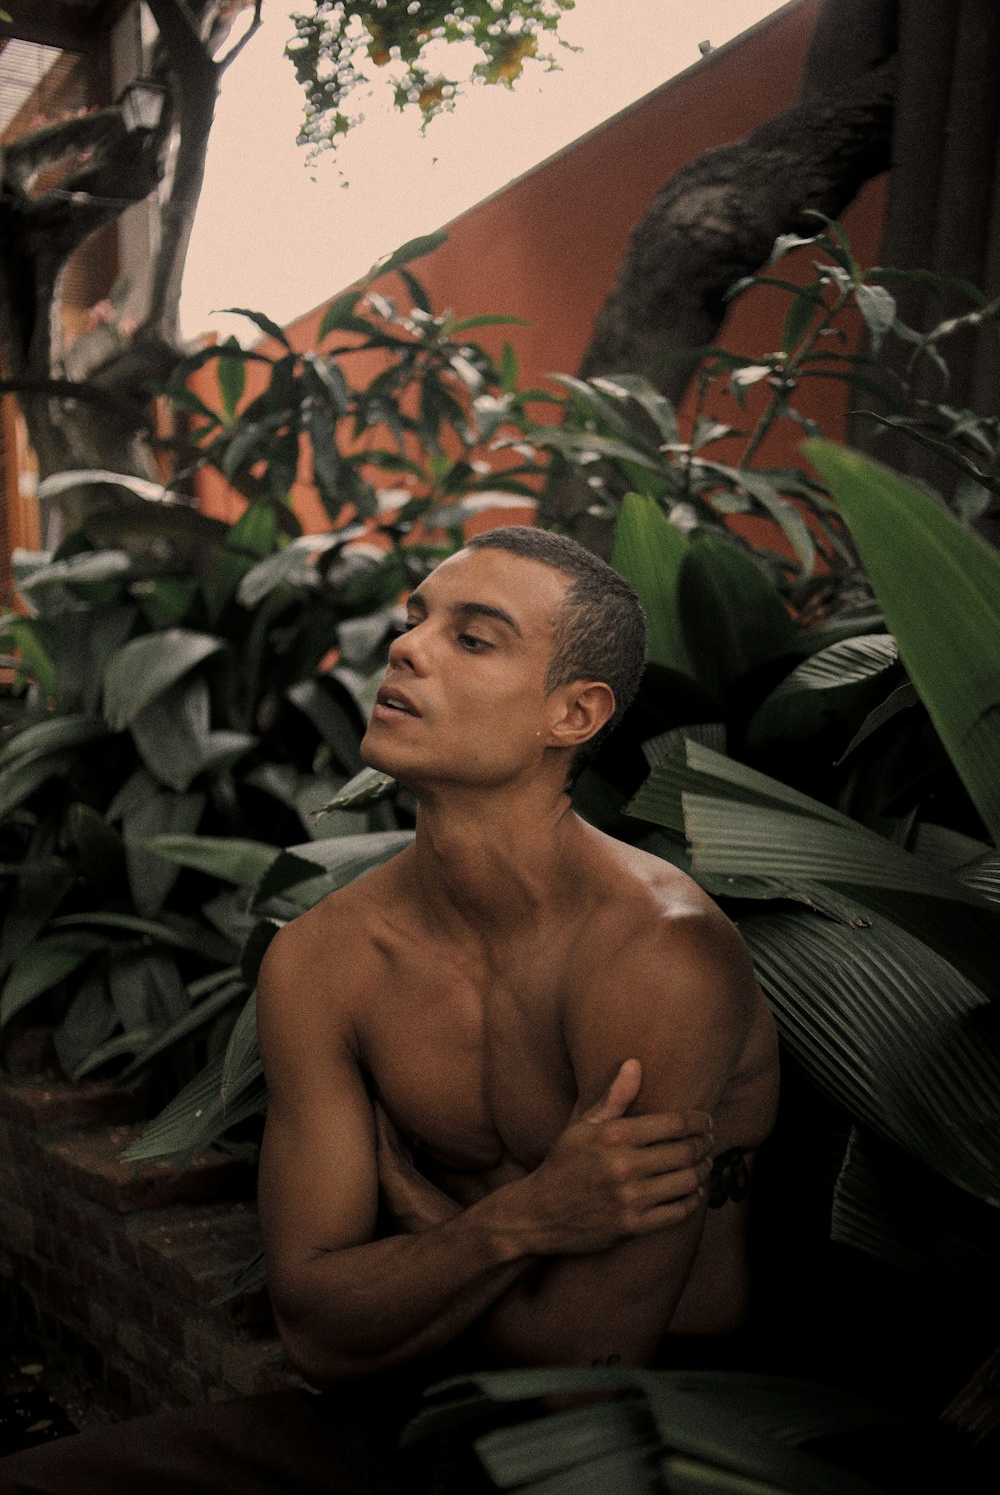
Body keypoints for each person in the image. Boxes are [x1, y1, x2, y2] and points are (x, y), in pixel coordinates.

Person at [0, 527, 778, 1494]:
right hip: (411, 1404)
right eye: (416, 620)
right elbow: (316, 1328)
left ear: (573, 713)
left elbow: (583, 1374)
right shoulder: (324, 959)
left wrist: (415, 1213)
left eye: (474, 638)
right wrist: (523, 1219)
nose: (406, 647)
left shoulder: (658, 954)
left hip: (654, 1437)